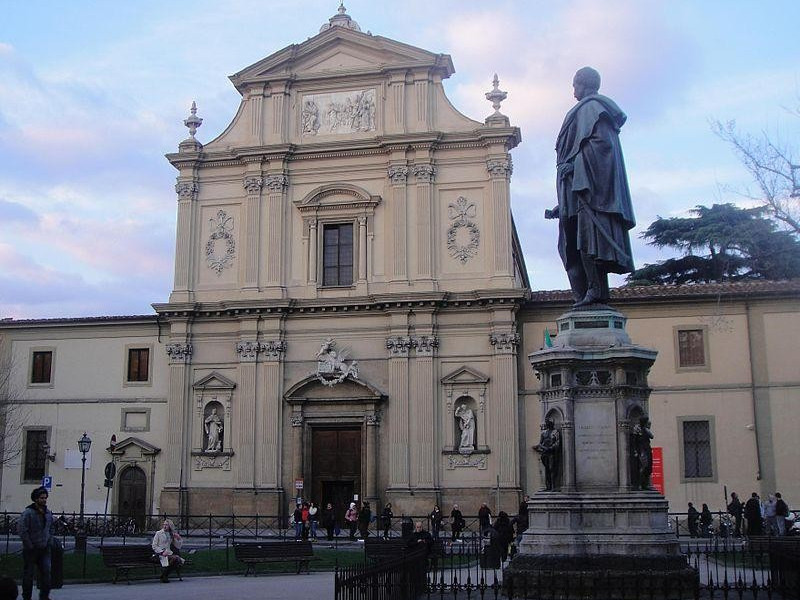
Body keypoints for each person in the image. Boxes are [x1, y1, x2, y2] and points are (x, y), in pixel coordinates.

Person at [545, 66, 636, 307]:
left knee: (587, 241)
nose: (573, 90)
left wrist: (576, 168)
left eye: (575, 85)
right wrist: (562, 202)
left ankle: (595, 291)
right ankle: (584, 295)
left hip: (588, 192)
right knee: (571, 246)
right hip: (574, 192)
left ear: (584, 84)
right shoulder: (584, 111)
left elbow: (602, 148)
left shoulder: (593, 109)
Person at [19, 486, 53, 600]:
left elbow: (50, 527)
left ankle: (44, 596)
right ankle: (26, 597)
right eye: (41, 498)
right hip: (31, 549)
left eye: (45, 498)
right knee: (28, 575)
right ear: (36, 499)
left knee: (46, 573)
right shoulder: (28, 513)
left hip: (44, 548)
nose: (44, 500)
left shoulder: (48, 513)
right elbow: (22, 530)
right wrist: (29, 545)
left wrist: (49, 540)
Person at [151, 519, 184, 583]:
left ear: (170, 526)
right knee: (175, 558)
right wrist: (161, 552)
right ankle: (164, 576)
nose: (164, 526)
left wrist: (179, 538)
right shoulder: (158, 533)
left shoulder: (171, 534)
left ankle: (164, 575)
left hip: (168, 553)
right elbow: (154, 545)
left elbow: (178, 546)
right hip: (159, 554)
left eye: (166, 525)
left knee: (177, 560)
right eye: (164, 524)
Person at [533, 419, 561, 490]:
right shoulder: (544, 433)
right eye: (547, 423)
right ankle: (548, 486)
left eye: (549, 423)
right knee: (547, 469)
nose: (547, 424)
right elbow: (541, 443)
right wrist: (541, 447)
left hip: (552, 453)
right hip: (545, 453)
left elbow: (557, 443)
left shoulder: (555, 432)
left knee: (552, 469)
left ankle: (554, 486)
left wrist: (550, 448)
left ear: (552, 424)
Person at [631, 416, 654, 490]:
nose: (648, 423)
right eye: (647, 422)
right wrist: (635, 451)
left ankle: (645, 484)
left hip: (647, 449)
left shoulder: (645, 429)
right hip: (642, 450)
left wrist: (646, 429)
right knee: (643, 467)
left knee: (648, 467)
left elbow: (652, 436)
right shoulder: (637, 429)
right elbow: (634, 441)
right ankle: (639, 484)